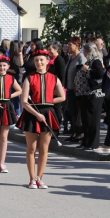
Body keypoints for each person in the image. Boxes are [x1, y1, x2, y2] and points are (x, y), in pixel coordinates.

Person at [17, 50, 65, 188]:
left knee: (44, 149)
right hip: (32, 113)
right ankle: (32, 178)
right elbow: (24, 101)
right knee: (31, 148)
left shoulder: (54, 77)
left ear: (47, 61)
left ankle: (40, 178)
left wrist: (49, 101)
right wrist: (37, 113)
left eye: (41, 60)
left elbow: (62, 96)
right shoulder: (29, 78)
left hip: (48, 113)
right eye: (36, 60)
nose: (39, 63)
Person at [74, 43, 105, 150]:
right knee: (86, 119)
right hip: (85, 94)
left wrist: (86, 70)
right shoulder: (89, 61)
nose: (83, 53)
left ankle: (93, 143)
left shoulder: (96, 61)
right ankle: (86, 141)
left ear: (88, 51)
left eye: (84, 51)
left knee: (93, 119)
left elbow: (99, 73)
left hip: (94, 94)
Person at [63, 36, 86, 141]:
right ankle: (74, 131)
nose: (68, 46)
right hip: (69, 88)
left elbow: (83, 72)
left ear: (77, 45)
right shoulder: (70, 58)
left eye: (71, 44)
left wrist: (77, 85)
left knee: (78, 112)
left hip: (77, 89)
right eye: (68, 44)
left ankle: (80, 132)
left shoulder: (81, 57)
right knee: (72, 111)